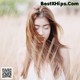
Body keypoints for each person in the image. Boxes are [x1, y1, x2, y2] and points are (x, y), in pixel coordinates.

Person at [17, 5, 70, 80]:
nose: (41, 32)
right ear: (30, 28)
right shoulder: (22, 53)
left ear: (51, 28)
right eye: (36, 28)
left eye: (46, 27)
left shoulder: (62, 52)